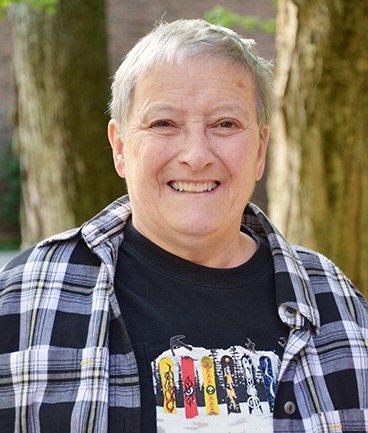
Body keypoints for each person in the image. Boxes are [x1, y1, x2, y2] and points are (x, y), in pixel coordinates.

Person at [0, 18, 367, 433]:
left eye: (225, 124)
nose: (196, 155)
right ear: (121, 148)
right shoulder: (21, 303)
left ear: (260, 150)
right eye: (164, 124)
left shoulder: (340, 309)